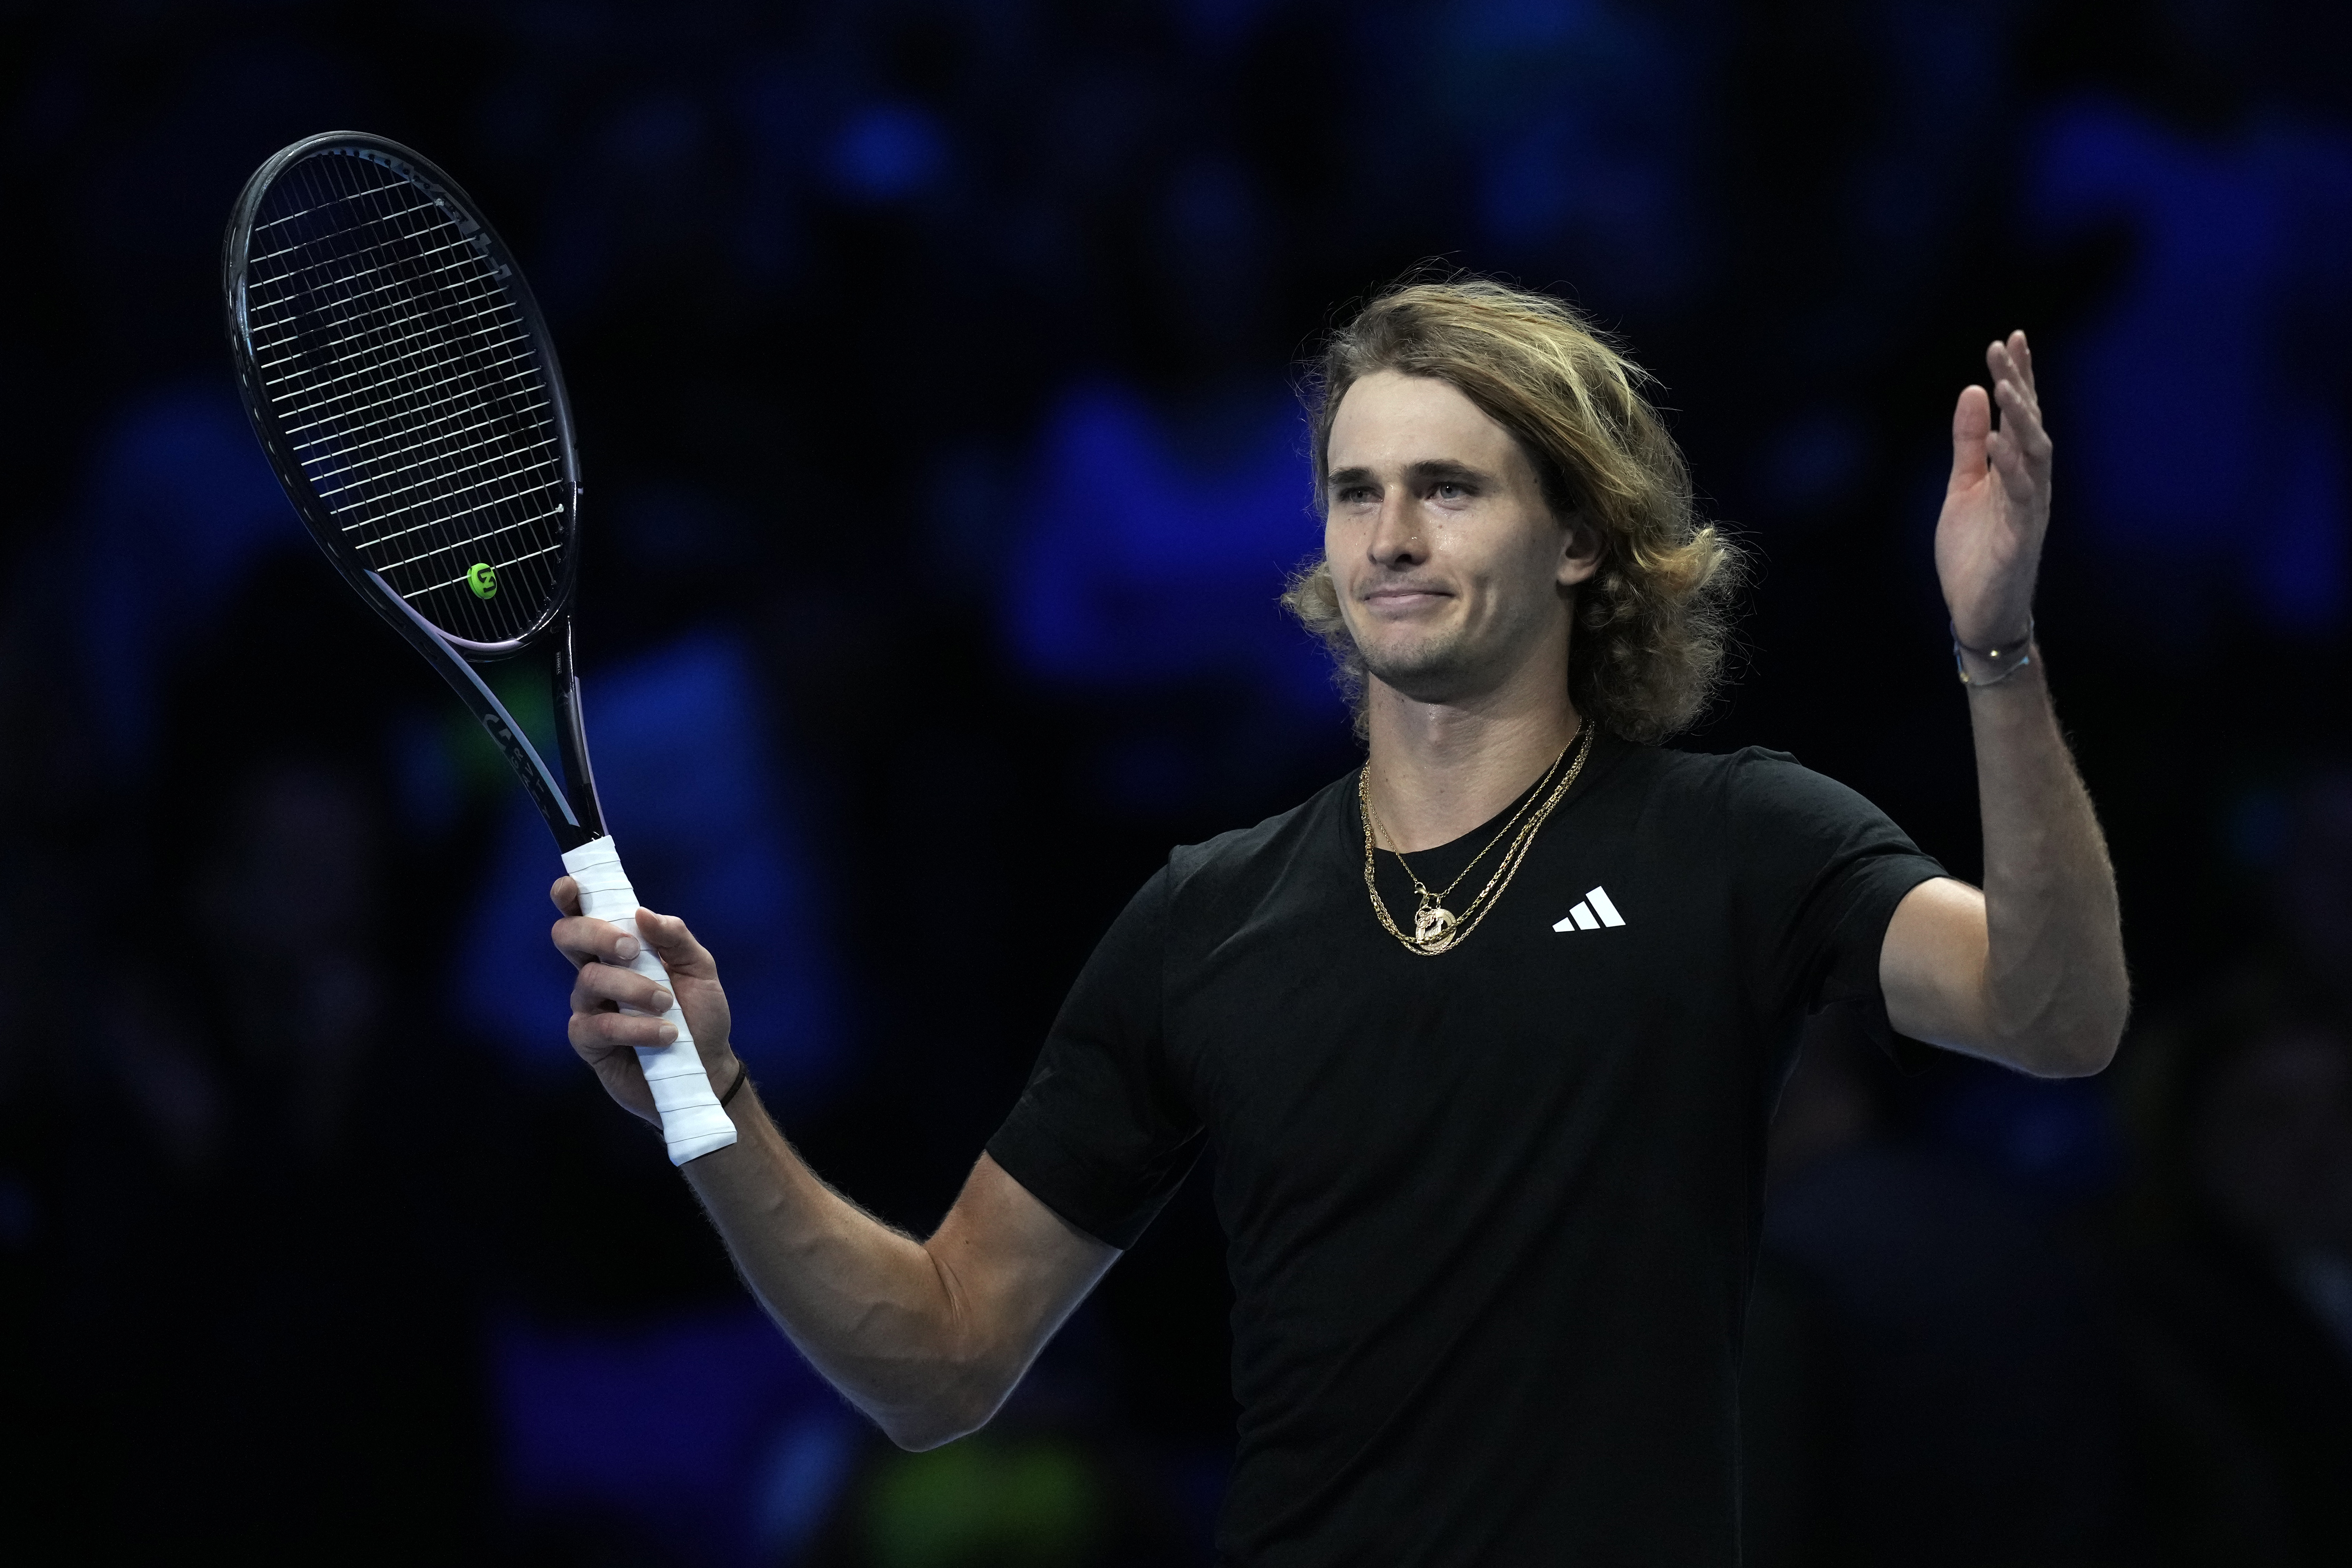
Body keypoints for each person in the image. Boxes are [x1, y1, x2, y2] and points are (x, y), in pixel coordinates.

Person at [550, 279, 2128, 1564]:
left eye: (1447, 488)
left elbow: (2054, 1016)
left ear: (1577, 537)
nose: (1387, 537)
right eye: (1354, 491)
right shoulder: (1204, 916)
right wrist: (712, 1103)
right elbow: (940, 1357)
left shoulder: (1736, 836)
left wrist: (1996, 652)